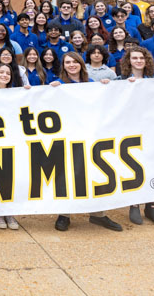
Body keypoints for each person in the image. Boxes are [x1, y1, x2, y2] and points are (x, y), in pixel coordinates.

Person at [50, 52, 121, 232]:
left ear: (81, 64)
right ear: (63, 65)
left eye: (75, 62)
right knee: (67, 175)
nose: (71, 65)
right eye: (67, 62)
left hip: (90, 135)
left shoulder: (92, 85)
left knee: (94, 173)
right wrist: (50, 90)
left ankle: (99, 215)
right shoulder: (58, 85)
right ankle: (64, 214)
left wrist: (106, 88)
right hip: (67, 136)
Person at [117, 46, 154, 227]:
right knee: (133, 166)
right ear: (128, 61)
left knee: (152, 166)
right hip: (128, 130)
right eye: (134, 58)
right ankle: (134, 204)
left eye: (141, 58)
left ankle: (151, 206)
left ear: (146, 61)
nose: (138, 61)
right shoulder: (120, 81)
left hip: (150, 130)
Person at [0, 62, 30, 230]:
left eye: (7, 73)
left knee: (10, 175)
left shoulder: (18, 94)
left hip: (12, 139)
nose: (4, 75)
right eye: (1, 72)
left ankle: (9, 212)